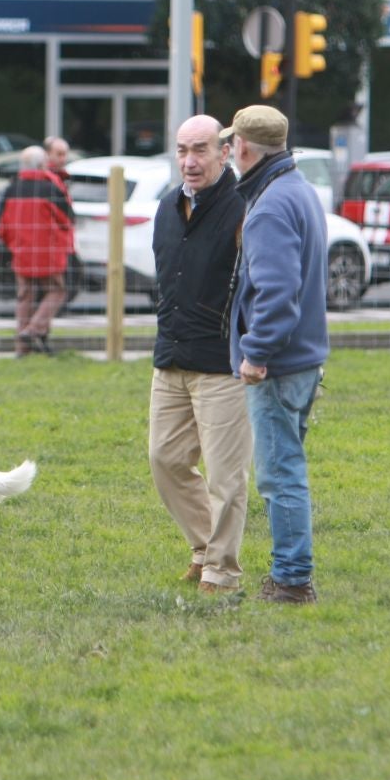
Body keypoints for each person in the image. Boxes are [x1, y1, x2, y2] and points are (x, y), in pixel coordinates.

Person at [224, 104, 330, 605]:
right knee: (290, 467)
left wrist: (255, 352)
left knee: (279, 473)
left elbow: (277, 291)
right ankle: (292, 573)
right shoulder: (299, 191)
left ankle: (291, 580)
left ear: (244, 148)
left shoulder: (267, 207)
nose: (229, 152)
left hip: (279, 364)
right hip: (306, 359)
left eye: (231, 144)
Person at [148, 115, 251, 594]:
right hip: (171, 357)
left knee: (226, 478)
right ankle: (203, 546)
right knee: (164, 459)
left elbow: (257, 287)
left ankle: (221, 572)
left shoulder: (242, 208)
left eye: (201, 150)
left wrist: (253, 346)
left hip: (224, 364)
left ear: (224, 152)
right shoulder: (168, 207)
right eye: (182, 150)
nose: (190, 161)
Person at [0, 143, 74, 356]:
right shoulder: (51, 189)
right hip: (48, 253)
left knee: (25, 296)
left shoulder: (11, 189)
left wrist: (14, 243)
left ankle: (22, 348)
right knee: (57, 291)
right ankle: (33, 329)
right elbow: (66, 220)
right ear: (42, 164)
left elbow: (1, 225)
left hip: (20, 252)